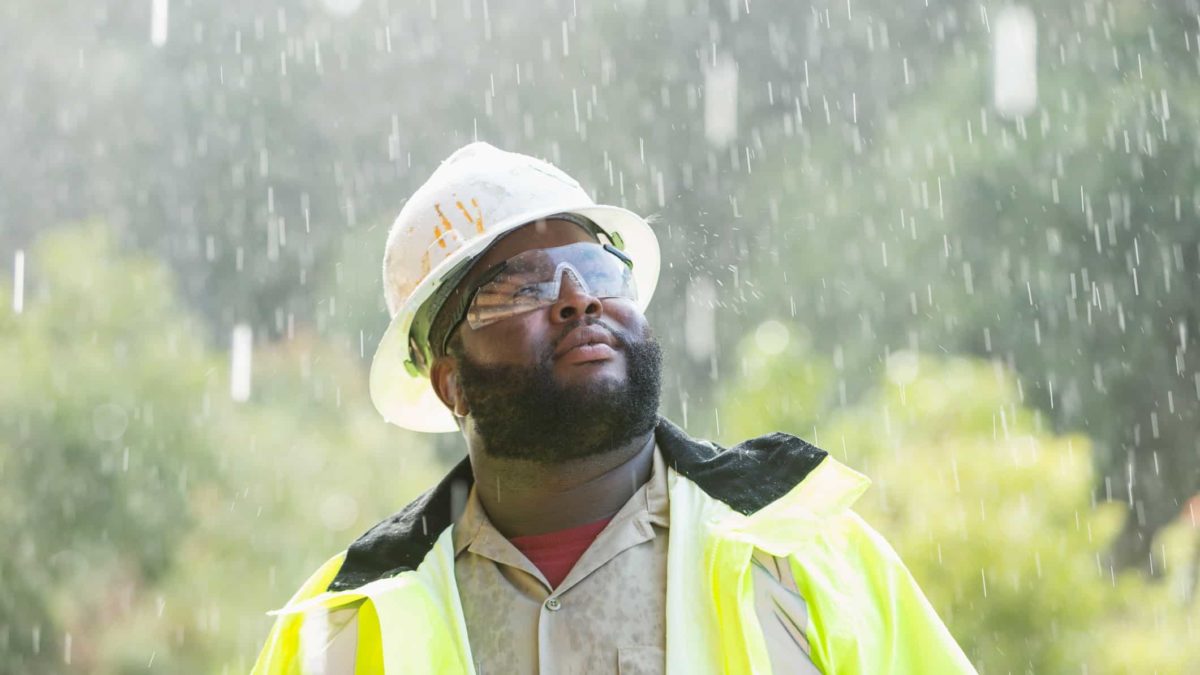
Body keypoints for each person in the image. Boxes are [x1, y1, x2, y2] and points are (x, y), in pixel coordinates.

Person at [252, 142, 976, 674]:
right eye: (518, 286)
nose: (578, 297)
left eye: (599, 269)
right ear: (450, 383)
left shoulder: (809, 558)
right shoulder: (338, 629)